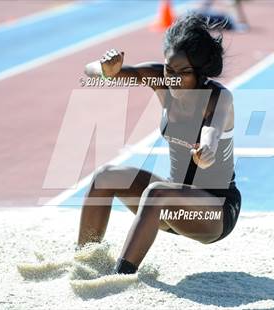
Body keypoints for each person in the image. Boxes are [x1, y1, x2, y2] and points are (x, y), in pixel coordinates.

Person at [79, 14, 241, 275]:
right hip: (171, 204)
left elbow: (213, 130)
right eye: (169, 70)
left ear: (201, 73)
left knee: (156, 193)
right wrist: (107, 70)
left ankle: (121, 278)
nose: (174, 79)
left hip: (214, 213)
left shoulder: (218, 98)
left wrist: (207, 151)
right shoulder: (160, 79)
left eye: (184, 73)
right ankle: (84, 262)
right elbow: (90, 70)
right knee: (105, 177)